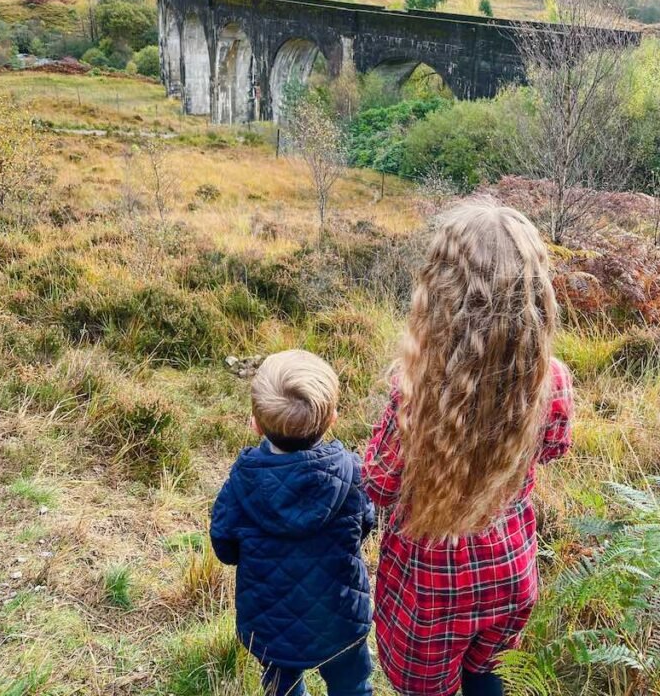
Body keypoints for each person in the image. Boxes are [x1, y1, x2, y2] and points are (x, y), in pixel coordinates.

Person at [363, 202, 574, 696]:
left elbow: (379, 482)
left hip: (431, 591)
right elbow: (554, 447)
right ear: (534, 293)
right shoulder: (551, 380)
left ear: (439, 292)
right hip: (510, 571)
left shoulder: (416, 391)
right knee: (489, 678)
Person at [211, 349, 375, 696]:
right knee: (353, 687)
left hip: (271, 626)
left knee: (282, 691)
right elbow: (365, 525)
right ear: (332, 419)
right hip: (341, 618)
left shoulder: (241, 483)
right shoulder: (352, 474)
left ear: (254, 423)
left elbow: (225, 546)